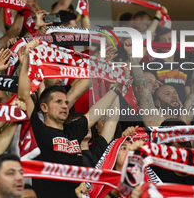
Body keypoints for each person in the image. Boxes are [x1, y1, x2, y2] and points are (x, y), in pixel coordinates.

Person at [18, 39, 124, 198]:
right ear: (44, 108)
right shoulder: (38, 129)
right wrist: (27, 57)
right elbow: (25, 94)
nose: (65, 106)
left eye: (66, 103)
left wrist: (117, 86)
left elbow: (95, 111)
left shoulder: (73, 130)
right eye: (58, 102)